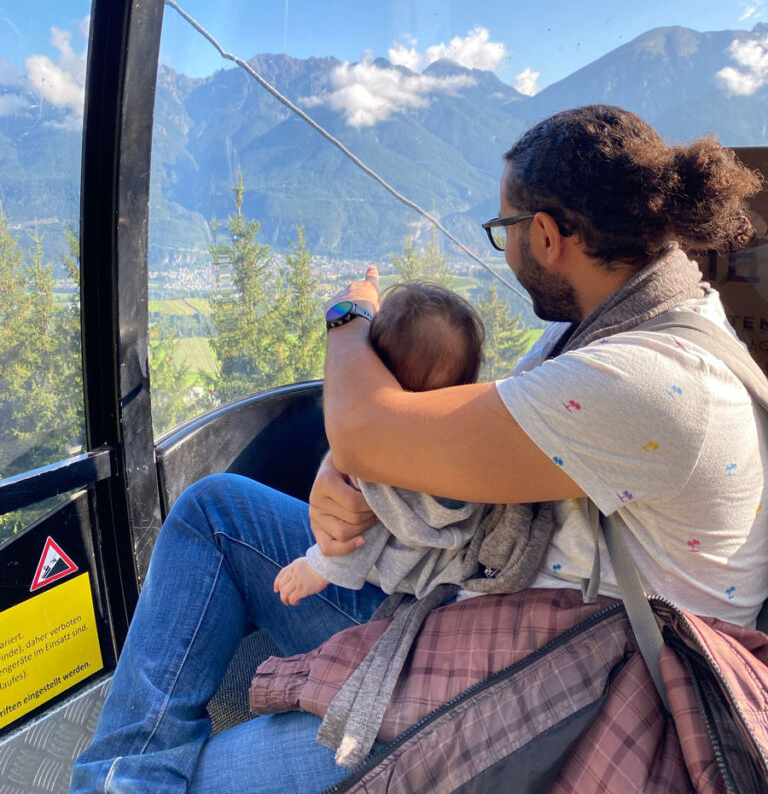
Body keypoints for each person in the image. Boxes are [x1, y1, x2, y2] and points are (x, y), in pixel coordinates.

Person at [70, 105, 768, 794]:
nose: (507, 247)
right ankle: (122, 780)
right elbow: (418, 433)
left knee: (204, 780)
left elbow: (369, 428)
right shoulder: (614, 329)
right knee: (217, 515)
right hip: (498, 613)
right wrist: (341, 475)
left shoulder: (650, 380)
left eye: (505, 231)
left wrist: (349, 317)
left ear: (548, 234)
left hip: (558, 692)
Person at [274, 280, 489, 607]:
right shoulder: (475, 438)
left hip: (409, 579)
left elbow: (363, 531)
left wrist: (317, 567)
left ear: (378, 373)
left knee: (209, 505)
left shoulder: (387, 460)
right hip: (453, 565)